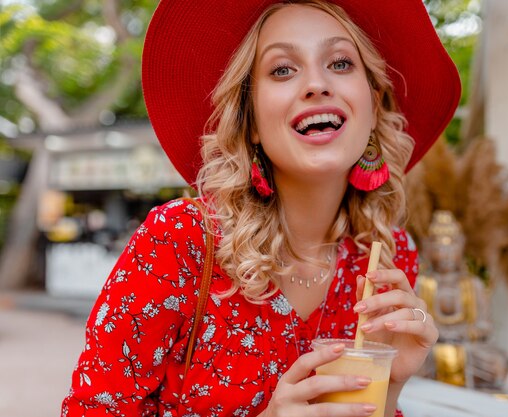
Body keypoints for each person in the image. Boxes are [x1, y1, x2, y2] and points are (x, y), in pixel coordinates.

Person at [61, 1, 460, 416]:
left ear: (374, 105)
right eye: (283, 69)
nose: (317, 84)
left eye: (340, 63)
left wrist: (390, 387)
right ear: (249, 120)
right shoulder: (180, 241)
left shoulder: (387, 254)